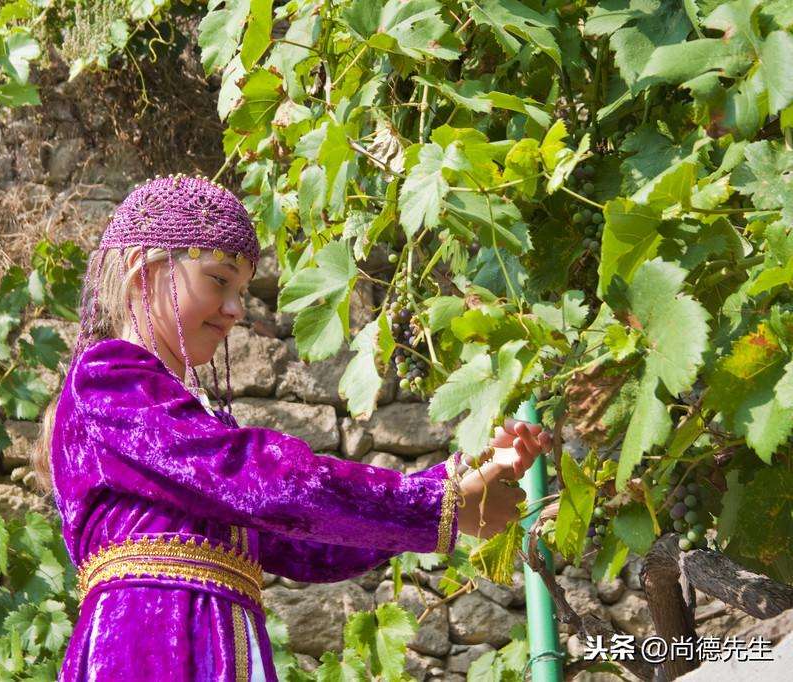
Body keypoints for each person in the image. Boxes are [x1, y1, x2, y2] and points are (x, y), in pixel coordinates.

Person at [30, 174, 553, 681]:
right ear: (145, 269)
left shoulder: (187, 417)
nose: (236, 309)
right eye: (219, 280)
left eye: (241, 289)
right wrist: (438, 496)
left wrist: (454, 492)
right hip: (145, 649)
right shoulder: (108, 379)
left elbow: (309, 546)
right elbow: (269, 484)